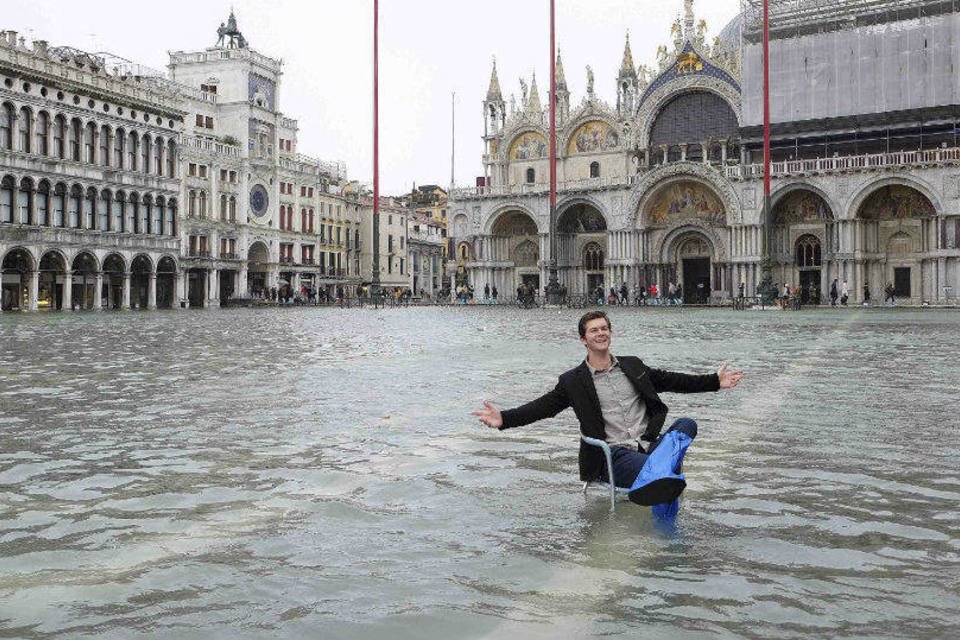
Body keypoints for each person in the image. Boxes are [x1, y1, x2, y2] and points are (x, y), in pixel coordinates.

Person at [471, 311, 744, 496]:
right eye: (593, 331)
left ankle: (659, 472)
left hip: (648, 443)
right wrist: (503, 419)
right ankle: (662, 474)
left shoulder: (633, 365)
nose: (600, 333)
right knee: (651, 466)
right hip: (613, 455)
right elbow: (543, 407)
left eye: (604, 328)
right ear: (583, 339)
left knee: (687, 424)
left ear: (611, 333)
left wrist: (713, 382)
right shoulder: (573, 381)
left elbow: (672, 380)